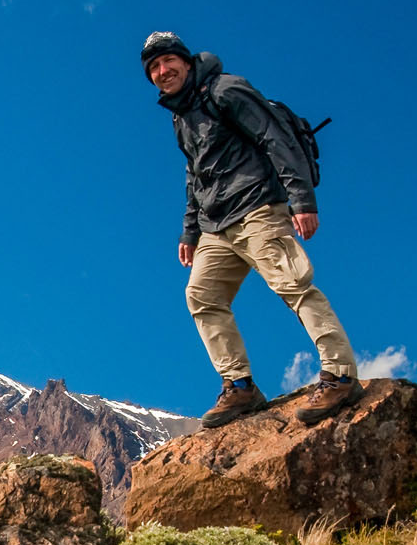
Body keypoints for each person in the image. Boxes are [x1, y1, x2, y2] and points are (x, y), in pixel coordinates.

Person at [140, 31, 362, 429]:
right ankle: (240, 387)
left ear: (186, 61)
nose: (161, 71)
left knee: (293, 285)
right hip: (215, 226)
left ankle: (341, 375)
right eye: (153, 68)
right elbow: (195, 175)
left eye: (167, 62)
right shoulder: (181, 116)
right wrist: (190, 232)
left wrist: (302, 201)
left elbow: (275, 139)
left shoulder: (226, 90)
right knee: (202, 296)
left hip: (258, 208)